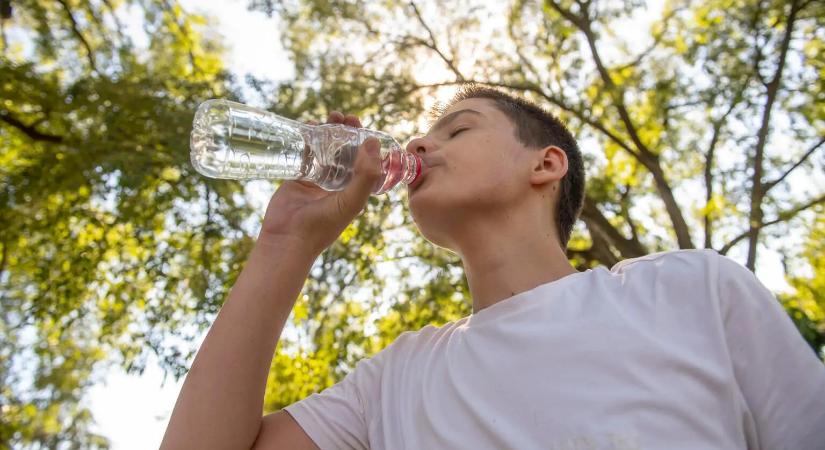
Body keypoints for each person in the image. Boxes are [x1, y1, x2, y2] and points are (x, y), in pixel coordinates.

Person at [160, 85, 825, 450]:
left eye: (457, 129)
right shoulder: (394, 380)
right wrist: (285, 241)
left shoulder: (688, 290)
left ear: (545, 164)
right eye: (427, 133)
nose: (420, 142)